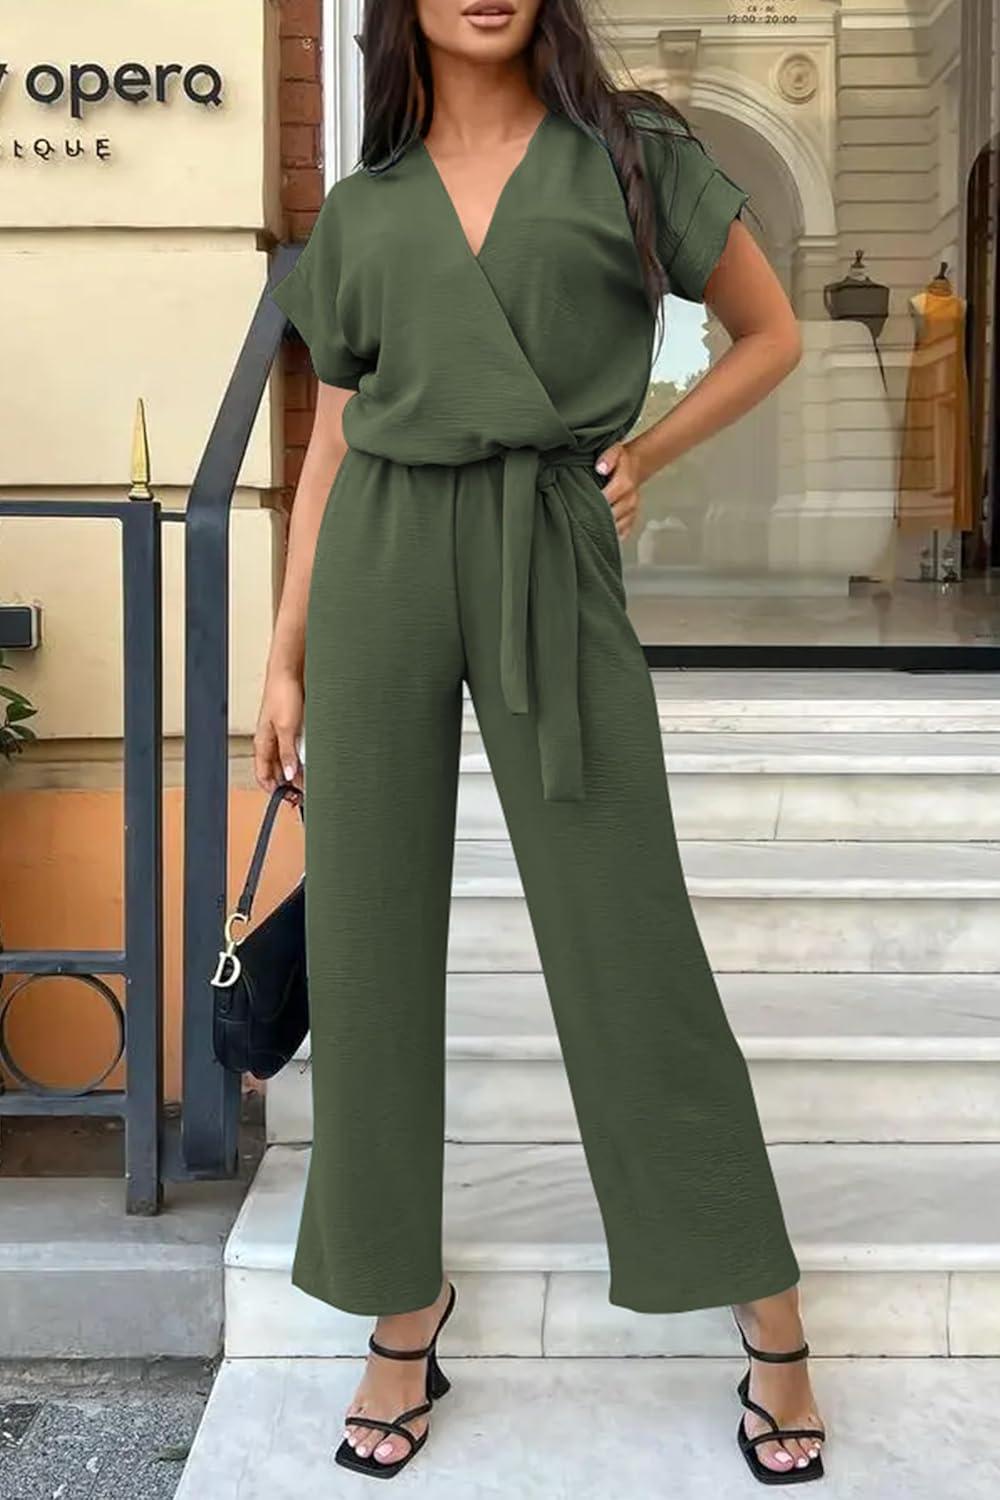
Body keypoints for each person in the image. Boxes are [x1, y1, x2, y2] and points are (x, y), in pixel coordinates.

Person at [255, 0, 825, 1484]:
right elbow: (334, 434)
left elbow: (769, 335)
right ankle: (400, 1309)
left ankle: (762, 1303)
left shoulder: (631, 156)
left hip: (548, 542)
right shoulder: (368, 203)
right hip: (381, 558)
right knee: (370, 949)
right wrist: (286, 652)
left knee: (625, 932)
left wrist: (644, 451)